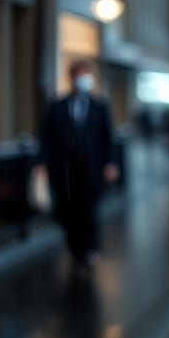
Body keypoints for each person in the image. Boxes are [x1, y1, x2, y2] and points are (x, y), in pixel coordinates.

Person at [37, 60, 120, 270]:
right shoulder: (57, 107)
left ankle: (90, 248)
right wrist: (42, 164)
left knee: (89, 209)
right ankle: (76, 249)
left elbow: (108, 138)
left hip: (92, 169)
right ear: (71, 77)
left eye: (86, 74)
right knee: (67, 210)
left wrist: (109, 163)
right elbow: (46, 138)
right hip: (65, 171)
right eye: (79, 74)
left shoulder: (99, 107)